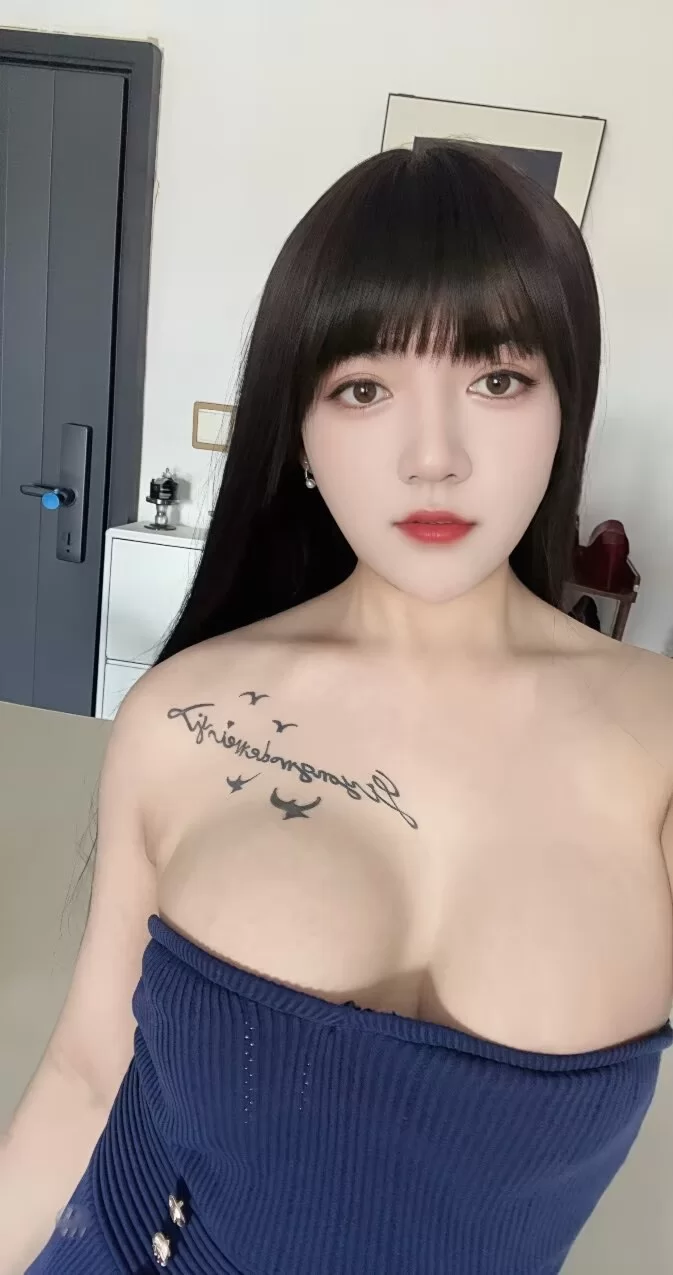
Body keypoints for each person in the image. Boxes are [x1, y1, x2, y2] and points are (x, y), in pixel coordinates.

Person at [2, 141, 672, 1275]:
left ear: (567, 405)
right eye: (363, 388)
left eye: (497, 380)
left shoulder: (657, 744)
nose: (432, 458)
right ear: (301, 431)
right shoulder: (183, 715)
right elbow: (84, 1071)